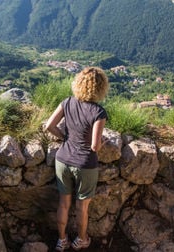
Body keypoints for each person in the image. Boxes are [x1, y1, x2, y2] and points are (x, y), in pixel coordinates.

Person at [45, 66, 109, 251]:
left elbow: (49, 125)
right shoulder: (98, 112)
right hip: (85, 164)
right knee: (82, 208)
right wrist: (102, 144)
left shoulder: (67, 102)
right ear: (100, 88)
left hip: (63, 160)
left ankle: (62, 240)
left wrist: (64, 137)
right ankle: (81, 240)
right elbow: (95, 146)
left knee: (63, 204)